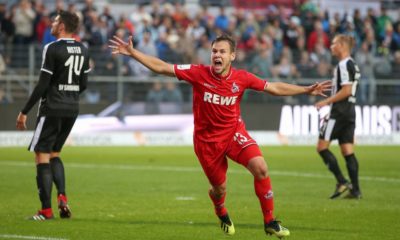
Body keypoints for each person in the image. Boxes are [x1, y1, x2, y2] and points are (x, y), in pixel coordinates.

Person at [109, 34, 330, 238]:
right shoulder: (198, 73)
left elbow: (273, 87)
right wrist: (134, 53)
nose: (217, 55)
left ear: (232, 56)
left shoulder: (242, 78)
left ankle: (270, 221)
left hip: (234, 134)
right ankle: (220, 210)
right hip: (207, 144)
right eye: (214, 51)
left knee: (261, 168)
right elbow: (163, 67)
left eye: (222, 52)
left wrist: (305, 90)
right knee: (219, 189)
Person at [16, 10, 91, 220]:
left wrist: (24, 112)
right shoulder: (84, 49)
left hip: (52, 108)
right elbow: (83, 84)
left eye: (56, 20)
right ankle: (63, 197)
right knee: (55, 153)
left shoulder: (52, 48)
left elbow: (43, 84)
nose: (52, 22)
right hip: (72, 108)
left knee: (41, 155)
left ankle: (45, 210)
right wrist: (69, 95)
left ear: (62, 26)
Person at [315, 34, 362, 200]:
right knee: (347, 150)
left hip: (339, 111)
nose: (331, 46)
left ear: (342, 45)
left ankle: (342, 181)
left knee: (321, 147)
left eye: (334, 44)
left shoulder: (343, 64)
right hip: (350, 111)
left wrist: (326, 102)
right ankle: (355, 190)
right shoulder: (353, 64)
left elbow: (347, 90)